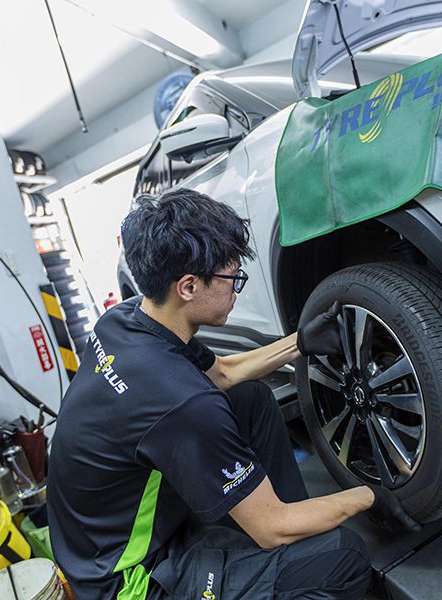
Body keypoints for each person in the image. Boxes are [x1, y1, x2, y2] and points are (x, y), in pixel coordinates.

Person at [47, 188, 419, 600]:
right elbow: (271, 525)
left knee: (252, 401)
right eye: (231, 278)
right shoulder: (181, 402)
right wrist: (368, 497)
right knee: (343, 557)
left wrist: (299, 342)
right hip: (125, 580)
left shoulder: (126, 319)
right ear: (187, 287)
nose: (235, 289)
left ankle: (288, 541)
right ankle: (286, 552)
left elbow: (223, 373)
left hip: (97, 533)